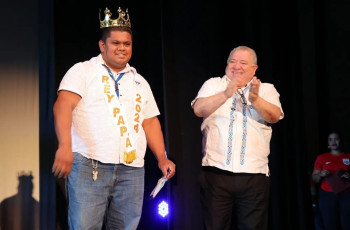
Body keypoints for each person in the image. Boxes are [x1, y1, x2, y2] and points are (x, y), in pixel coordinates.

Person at [51, 6, 175, 230]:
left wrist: (161, 157)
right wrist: (64, 146)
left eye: (126, 44)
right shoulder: (83, 71)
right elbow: (62, 106)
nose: (122, 48)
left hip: (132, 169)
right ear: (102, 45)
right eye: (115, 43)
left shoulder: (140, 81)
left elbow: (150, 121)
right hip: (90, 165)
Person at [191, 45, 284, 230]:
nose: (237, 66)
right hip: (216, 173)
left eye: (243, 63)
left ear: (254, 69)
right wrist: (227, 92)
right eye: (232, 61)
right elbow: (198, 109)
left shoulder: (265, 89)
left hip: (254, 175)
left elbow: (274, 116)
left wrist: (255, 99)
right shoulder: (213, 84)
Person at [312, 132, 350, 230]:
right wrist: (321, 174)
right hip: (327, 195)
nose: (333, 141)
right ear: (328, 143)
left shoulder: (348, 156)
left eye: (336, 139)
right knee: (330, 223)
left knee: (347, 223)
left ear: (340, 141)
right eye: (330, 139)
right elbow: (315, 178)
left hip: (346, 194)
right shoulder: (322, 157)